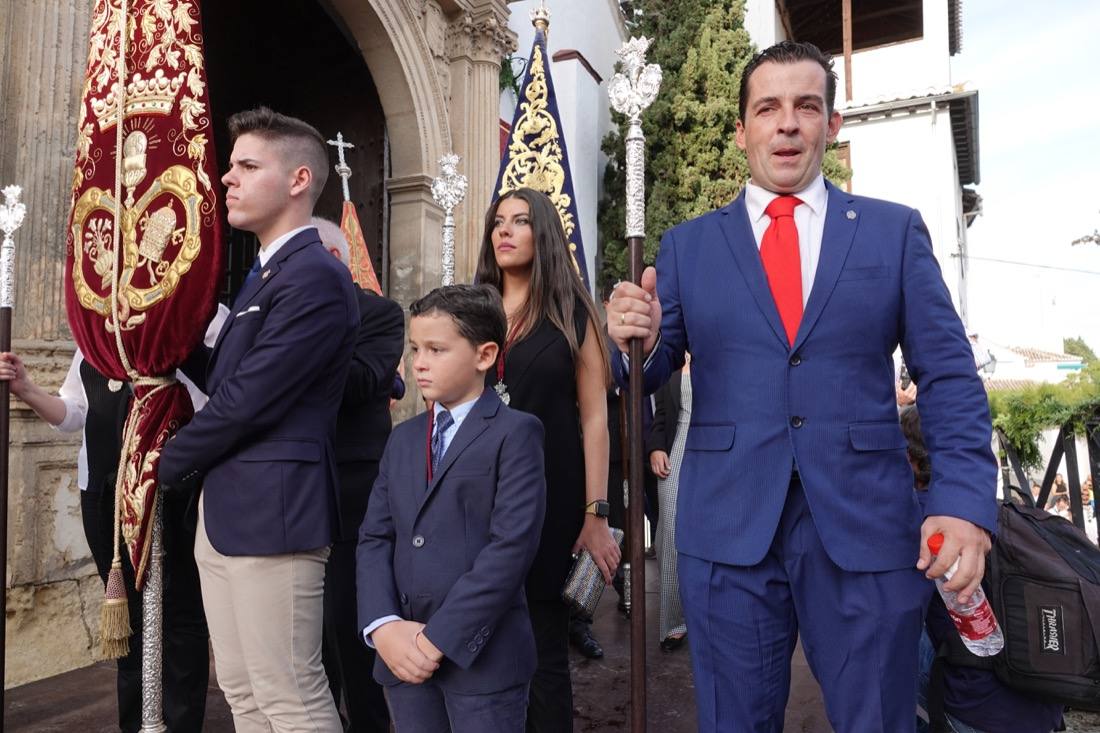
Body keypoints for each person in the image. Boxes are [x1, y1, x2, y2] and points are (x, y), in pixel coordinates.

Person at [606, 40, 997, 732]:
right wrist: (628, 337)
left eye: (805, 106)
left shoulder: (891, 232)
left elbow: (948, 374)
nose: (787, 123)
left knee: (878, 720)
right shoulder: (688, 247)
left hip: (867, 530)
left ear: (832, 125)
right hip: (728, 531)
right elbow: (650, 368)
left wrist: (963, 500)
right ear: (742, 131)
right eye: (768, 108)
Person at [158, 107, 359, 732]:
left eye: (247, 165)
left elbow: (249, 397)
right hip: (228, 511)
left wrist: (163, 461)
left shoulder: (316, 277)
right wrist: (157, 327)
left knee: (290, 696)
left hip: (276, 514)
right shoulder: (266, 274)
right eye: (230, 166)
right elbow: (224, 375)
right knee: (243, 692)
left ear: (299, 179)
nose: (227, 178)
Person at [1, 320, 222, 732]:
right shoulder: (95, 331)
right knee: (127, 617)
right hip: (103, 492)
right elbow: (74, 413)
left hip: (172, 493)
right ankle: (134, 723)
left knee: (180, 616)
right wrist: (27, 389)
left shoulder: (200, 313)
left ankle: (179, 723)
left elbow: (219, 404)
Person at [357, 284, 547, 731]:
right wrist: (382, 625)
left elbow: (511, 549)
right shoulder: (403, 438)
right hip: (402, 657)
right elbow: (375, 537)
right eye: (415, 348)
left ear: (484, 355)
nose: (419, 363)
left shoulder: (516, 434)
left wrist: (437, 639)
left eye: (437, 349)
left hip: (482, 662)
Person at [476, 187, 621, 731]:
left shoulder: (572, 312)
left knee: (542, 649)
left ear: (544, 234)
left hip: (550, 497)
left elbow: (595, 419)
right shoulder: (475, 308)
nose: (504, 231)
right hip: (479, 494)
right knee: (477, 635)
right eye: (497, 222)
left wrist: (596, 513)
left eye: (519, 221)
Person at [901, 406, 1064, 733]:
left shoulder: (912, 519)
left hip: (974, 712)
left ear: (911, 459)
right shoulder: (1006, 512)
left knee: (874, 616)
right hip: (1045, 706)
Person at [313, 217, 404, 732]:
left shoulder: (381, 315)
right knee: (307, 636)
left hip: (353, 490)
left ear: (334, 259)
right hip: (296, 486)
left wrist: (308, 338)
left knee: (350, 628)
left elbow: (364, 381)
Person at [647, 355, 691, 652]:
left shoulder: (720, 351)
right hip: (677, 446)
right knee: (671, 532)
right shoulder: (670, 361)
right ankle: (674, 622)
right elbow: (660, 414)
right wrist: (656, 448)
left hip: (718, 451)